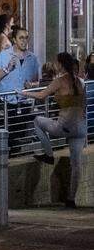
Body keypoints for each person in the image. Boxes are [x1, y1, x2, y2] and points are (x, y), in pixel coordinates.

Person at [21, 52, 87, 208]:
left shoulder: (59, 81)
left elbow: (41, 95)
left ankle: (49, 155)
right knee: (76, 164)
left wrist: (23, 92)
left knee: (38, 121)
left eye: (57, 62)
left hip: (64, 126)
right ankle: (71, 199)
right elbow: (84, 105)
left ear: (61, 64)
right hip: (80, 128)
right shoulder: (81, 82)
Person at [0, 25, 40, 153]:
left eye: (26, 38)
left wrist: (32, 85)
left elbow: (36, 82)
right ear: (14, 40)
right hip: (5, 103)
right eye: (21, 38)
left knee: (19, 137)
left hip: (23, 103)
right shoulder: (4, 55)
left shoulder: (33, 59)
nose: (24, 41)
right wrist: (7, 69)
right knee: (5, 138)